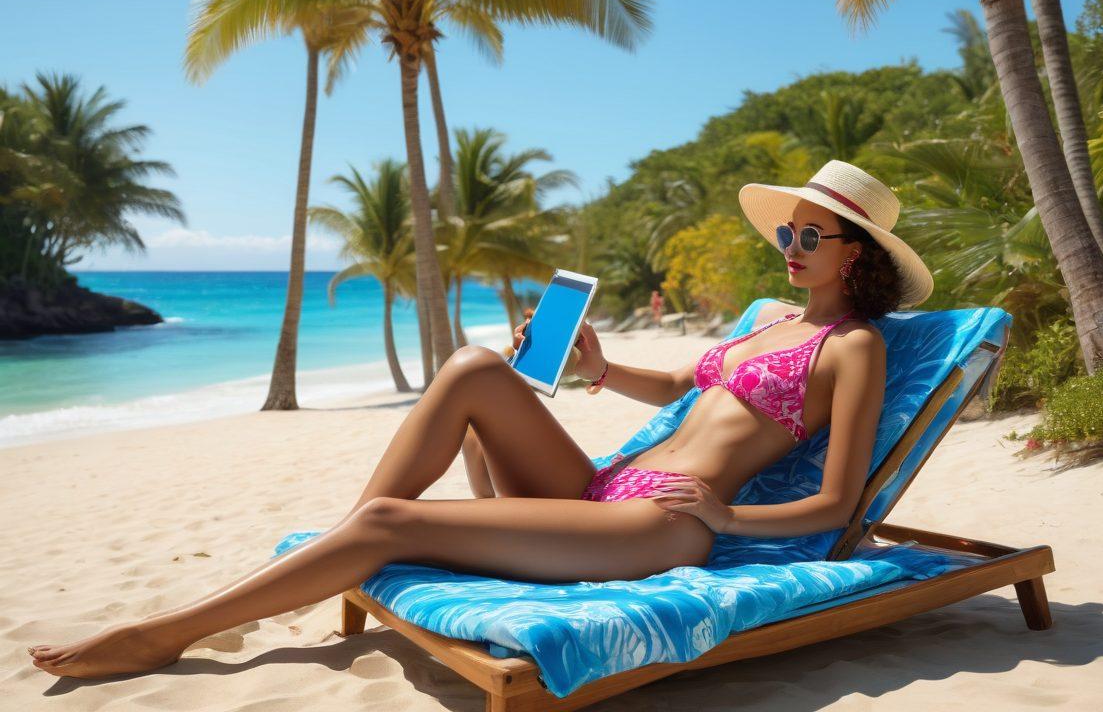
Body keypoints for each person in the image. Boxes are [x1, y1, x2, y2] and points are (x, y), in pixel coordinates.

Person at [27, 159, 933, 679]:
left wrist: (726, 517)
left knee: (390, 522)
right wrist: (601, 368)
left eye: (812, 237)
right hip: (606, 491)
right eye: (787, 233)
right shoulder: (768, 322)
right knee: (472, 368)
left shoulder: (855, 349)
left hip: (660, 528)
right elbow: (681, 395)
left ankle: (172, 631)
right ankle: (350, 548)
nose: (791, 248)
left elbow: (838, 500)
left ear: (861, 257)